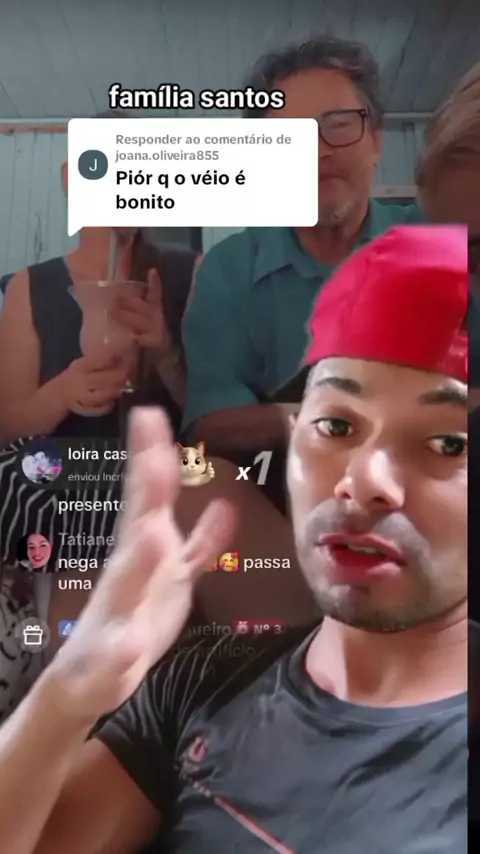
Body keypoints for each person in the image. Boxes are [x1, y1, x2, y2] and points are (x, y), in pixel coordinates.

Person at [0, 224, 467, 853]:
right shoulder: (198, 683)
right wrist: (67, 696)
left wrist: (164, 352)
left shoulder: (183, 275)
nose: (366, 480)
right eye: (336, 426)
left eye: (446, 442)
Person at [182, 35, 423, 462]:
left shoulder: (440, 238)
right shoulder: (229, 269)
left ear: (376, 139)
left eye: (338, 124)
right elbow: (212, 423)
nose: (318, 151)